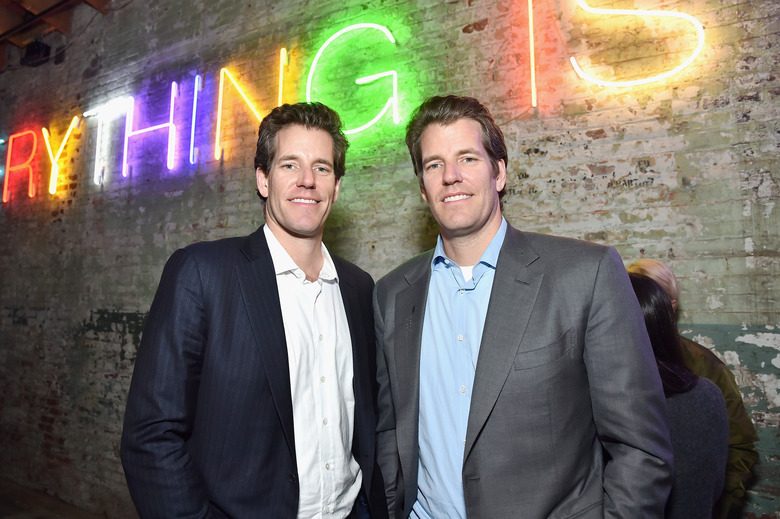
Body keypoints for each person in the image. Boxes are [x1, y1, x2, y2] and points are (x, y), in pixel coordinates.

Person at [373, 94, 673, 519]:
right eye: (434, 164)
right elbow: (391, 434)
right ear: (423, 188)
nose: (451, 176)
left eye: (468, 159)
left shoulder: (585, 275)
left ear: (499, 173)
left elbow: (641, 449)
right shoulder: (392, 295)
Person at [121, 102, 387, 519]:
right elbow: (151, 435)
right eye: (289, 166)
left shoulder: (359, 288)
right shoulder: (203, 274)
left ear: (336, 186)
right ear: (263, 179)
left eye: (322, 168)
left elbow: (368, 422)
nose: (307, 181)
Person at [627, 258, 759, 518]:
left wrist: (713, 506)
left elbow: (739, 448)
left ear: (670, 306)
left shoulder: (703, 367)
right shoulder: (607, 362)